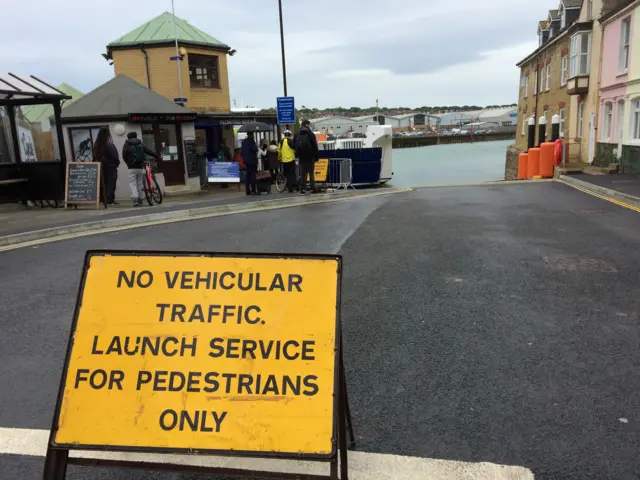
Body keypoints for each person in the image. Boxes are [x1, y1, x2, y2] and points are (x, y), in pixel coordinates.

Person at [122, 132, 159, 206]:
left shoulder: (126, 144)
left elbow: (124, 156)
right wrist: (157, 156)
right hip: (140, 166)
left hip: (131, 167)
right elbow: (149, 151)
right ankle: (141, 199)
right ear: (136, 136)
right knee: (140, 183)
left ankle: (135, 199)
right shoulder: (140, 144)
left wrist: (128, 163)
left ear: (128, 137)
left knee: (133, 183)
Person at [93, 126, 120, 204]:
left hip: (101, 167)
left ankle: (105, 198)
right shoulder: (109, 144)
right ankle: (110, 199)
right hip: (111, 166)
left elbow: (95, 156)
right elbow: (114, 156)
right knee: (111, 183)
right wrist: (116, 163)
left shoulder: (96, 144)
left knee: (104, 183)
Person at [294, 119, 319, 195]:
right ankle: (312, 188)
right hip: (310, 156)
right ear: (307, 125)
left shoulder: (297, 134)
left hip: (301, 157)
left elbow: (294, 145)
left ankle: (303, 189)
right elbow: (315, 145)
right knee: (311, 173)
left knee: (303, 173)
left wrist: (297, 154)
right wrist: (316, 156)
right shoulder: (311, 134)